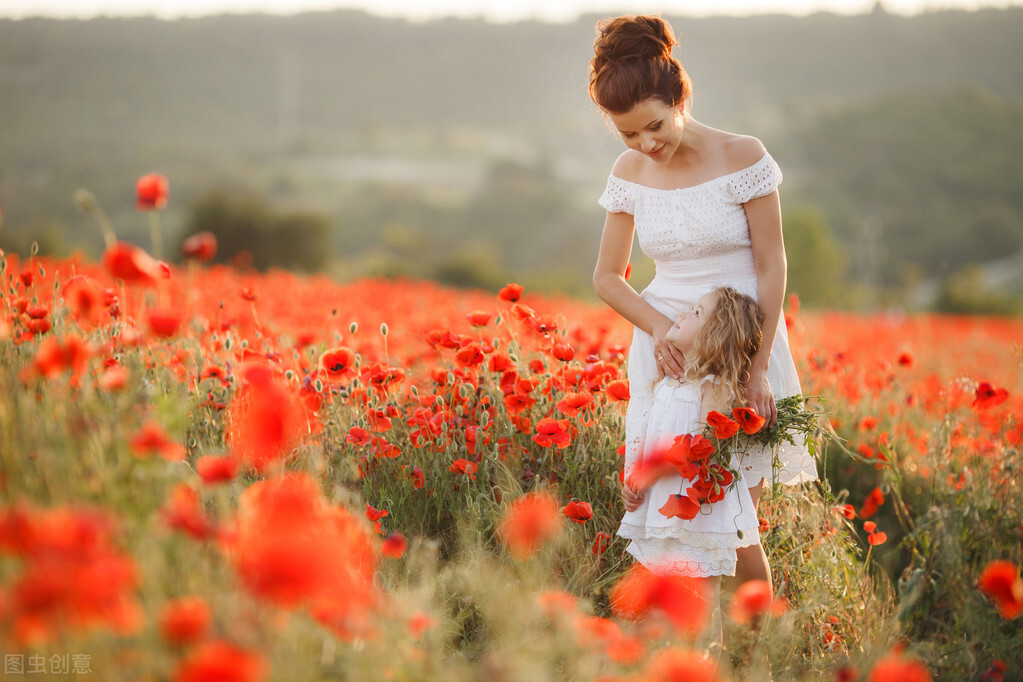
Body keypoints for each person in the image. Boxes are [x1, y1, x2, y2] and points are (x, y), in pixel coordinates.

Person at [588, 15, 817, 597]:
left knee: (736, 522)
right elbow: (608, 278)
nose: (646, 145)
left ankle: (754, 647)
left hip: (743, 343)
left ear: (679, 96)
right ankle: (693, 649)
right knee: (671, 518)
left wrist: (758, 367)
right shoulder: (628, 173)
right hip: (666, 352)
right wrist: (664, 330)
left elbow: (772, 266)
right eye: (629, 135)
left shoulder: (744, 156)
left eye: (654, 126)